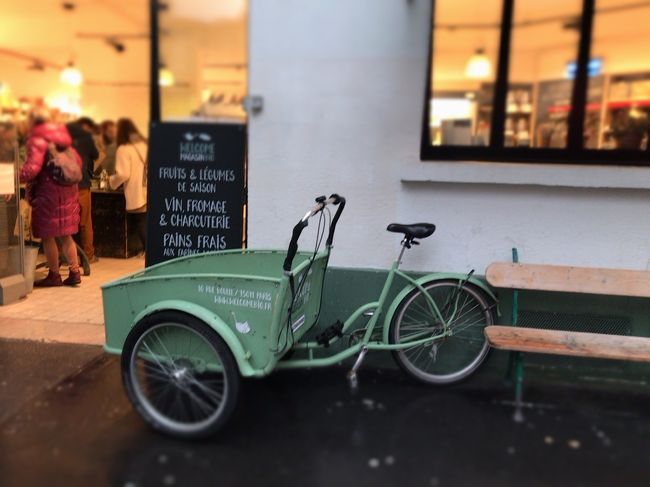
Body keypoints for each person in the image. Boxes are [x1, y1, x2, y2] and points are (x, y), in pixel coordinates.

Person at [19, 115, 82, 286]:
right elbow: (78, 163)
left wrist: (14, 176)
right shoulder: (63, 140)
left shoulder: (37, 140)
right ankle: (75, 272)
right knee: (66, 235)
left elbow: (32, 168)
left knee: (48, 236)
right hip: (68, 191)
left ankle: (54, 275)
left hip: (48, 194)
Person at [109, 118, 147, 255]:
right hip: (147, 187)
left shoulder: (123, 149)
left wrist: (111, 181)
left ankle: (148, 250)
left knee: (140, 220)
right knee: (145, 219)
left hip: (136, 188)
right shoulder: (143, 145)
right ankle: (147, 250)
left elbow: (123, 174)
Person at [66, 117, 99, 263]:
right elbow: (96, 155)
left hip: (65, 187)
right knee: (85, 222)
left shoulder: (62, 140)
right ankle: (89, 256)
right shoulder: (86, 139)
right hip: (83, 186)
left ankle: (67, 257)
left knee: (66, 223)